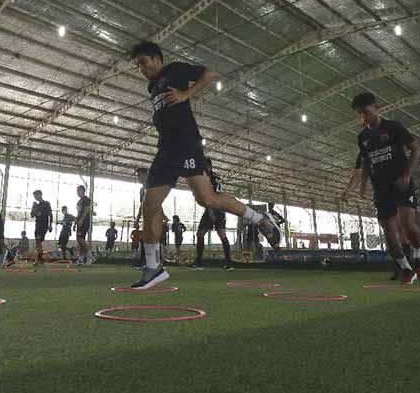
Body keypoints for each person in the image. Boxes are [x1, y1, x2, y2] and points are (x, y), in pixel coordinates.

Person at [128, 41, 281, 289]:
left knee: (207, 199)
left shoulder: (175, 70)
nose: (141, 69)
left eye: (143, 63)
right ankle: (154, 267)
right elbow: (165, 117)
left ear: (157, 58)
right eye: (138, 65)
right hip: (167, 150)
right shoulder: (151, 87)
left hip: (187, 145)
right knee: (150, 204)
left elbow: (210, 73)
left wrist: (186, 93)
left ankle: (258, 218)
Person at [351, 92, 420, 284]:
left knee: (407, 224)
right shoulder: (362, 137)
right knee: (389, 232)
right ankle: (405, 268)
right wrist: (363, 185)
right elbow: (367, 162)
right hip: (382, 189)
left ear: (377, 108)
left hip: (401, 183)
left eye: (367, 112)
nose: (364, 117)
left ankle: (419, 253)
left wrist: (407, 175)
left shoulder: (394, 127)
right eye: (360, 114)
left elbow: (416, 148)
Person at [189, 159, 235, 271]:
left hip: (213, 207)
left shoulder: (207, 178)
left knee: (201, 234)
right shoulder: (217, 177)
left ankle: (200, 262)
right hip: (220, 209)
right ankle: (228, 263)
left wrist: (210, 211)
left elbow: (209, 195)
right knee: (221, 235)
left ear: (207, 166)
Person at [30, 190, 53, 264]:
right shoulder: (36, 205)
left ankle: (39, 259)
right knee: (37, 241)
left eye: (36, 195)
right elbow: (32, 215)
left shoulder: (46, 204)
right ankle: (40, 258)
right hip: (37, 225)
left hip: (44, 225)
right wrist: (33, 207)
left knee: (39, 240)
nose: (35, 197)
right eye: (34, 196)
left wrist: (50, 225)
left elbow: (50, 214)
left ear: (40, 195)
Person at [75, 185, 94, 265]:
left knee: (80, 238)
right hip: (79, 222)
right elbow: (78, 213)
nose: (77, 192)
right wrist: (76, 221)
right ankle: (81, 259)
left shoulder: (86, 200)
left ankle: (90, 255)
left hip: (84, 221)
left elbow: (87, 211)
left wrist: (81, 220)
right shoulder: (79, 202)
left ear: (83, 190)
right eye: (77, 191)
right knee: (80, 240)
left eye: (79, 191)